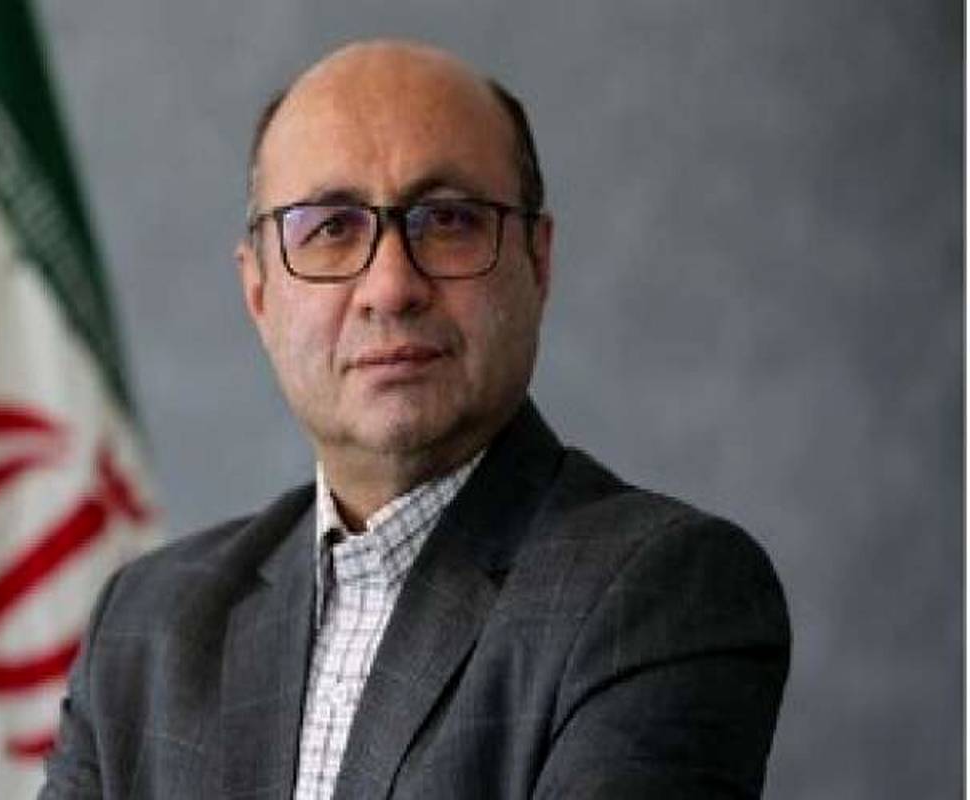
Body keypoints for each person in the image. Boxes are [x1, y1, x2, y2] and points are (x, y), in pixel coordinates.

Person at [40, 39, 790, 799]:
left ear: (538, 260)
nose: (391, 286)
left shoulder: (662, 593)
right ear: (258, 290)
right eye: (331, 228)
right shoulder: (146, 625)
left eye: (449, 220)